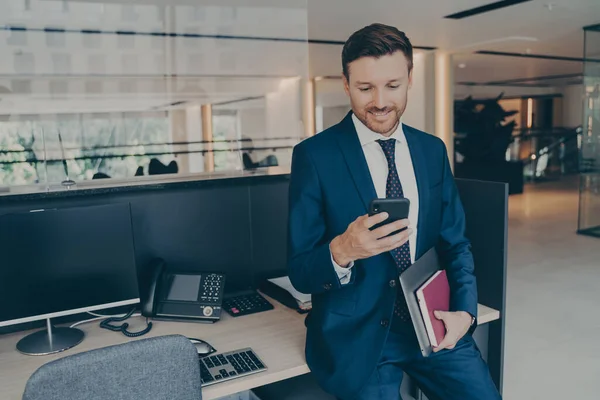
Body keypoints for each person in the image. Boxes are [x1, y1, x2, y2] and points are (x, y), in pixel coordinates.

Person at [287, 23, 501, 400]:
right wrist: (342, 251)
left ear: (410, 79)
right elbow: (301, 271)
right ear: (345, 83)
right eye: (365, 88)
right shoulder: (314, 156)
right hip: (358, 336)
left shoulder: (432, 150)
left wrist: (464, 313)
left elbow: (456, 245)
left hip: (431, 320)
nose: (381, 101)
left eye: (393, 85)